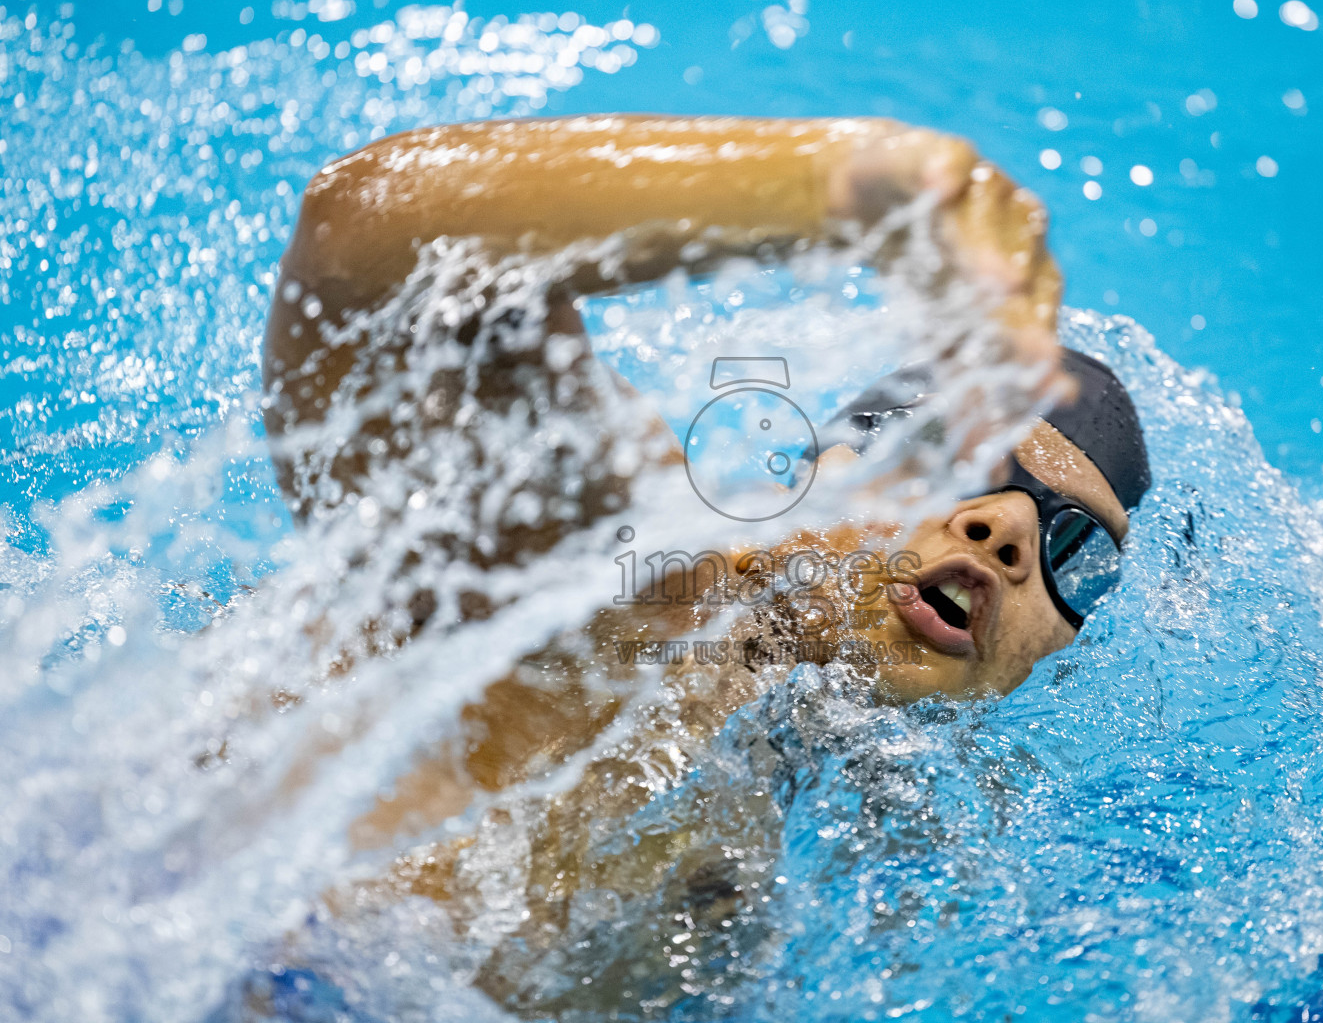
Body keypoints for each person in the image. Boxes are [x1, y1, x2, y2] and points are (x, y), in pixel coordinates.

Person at [258, 115, 1151, 1012]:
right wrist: (834, 185)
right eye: (962, 456)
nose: (1004, 533)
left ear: (1055, 649)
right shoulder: (646, 571)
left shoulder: (897, 837)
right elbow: (374, 239)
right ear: (818, 467)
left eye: (1073, 547)